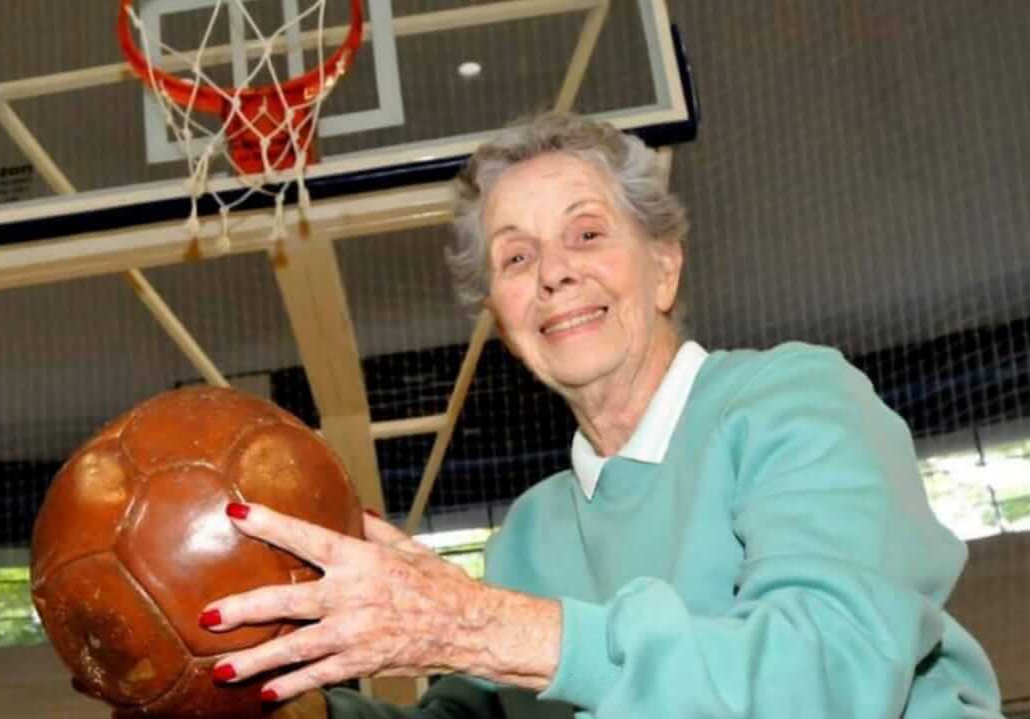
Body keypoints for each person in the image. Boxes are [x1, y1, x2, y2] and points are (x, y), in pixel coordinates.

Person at [196, 112, 1005, 718]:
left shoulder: (794, 400)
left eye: (586, 233)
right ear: (504, 324)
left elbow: (824, 676)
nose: (554, 273)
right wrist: (254, 681)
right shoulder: (530, 532)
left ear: (663, 267)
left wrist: (475, 621)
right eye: (516, 256)